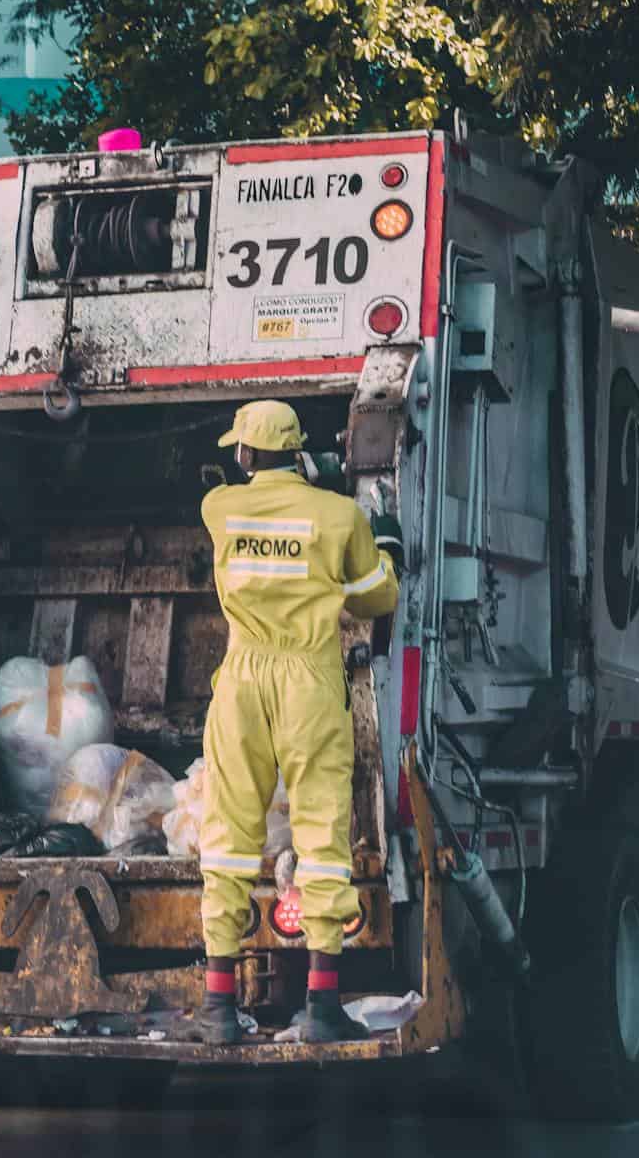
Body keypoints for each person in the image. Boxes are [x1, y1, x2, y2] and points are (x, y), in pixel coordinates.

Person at [192, 400, 401, 1044]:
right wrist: (382, 538)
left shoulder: (219, 509)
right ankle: (321, 1003)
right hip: (310, 680)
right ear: (302, 452)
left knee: (227, 838)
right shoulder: (337, 517)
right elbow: (379, 595)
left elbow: (244, 511)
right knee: (321, 837)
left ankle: (220, 1006)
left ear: (247, 456)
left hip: (244, 679)